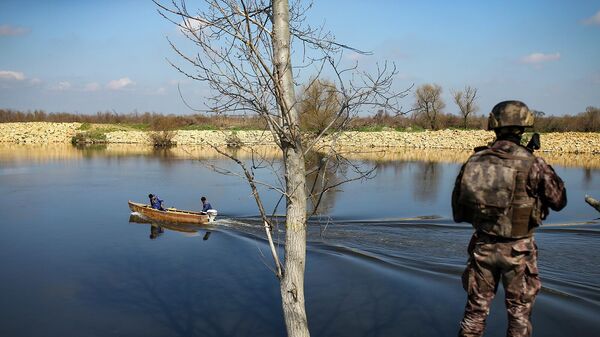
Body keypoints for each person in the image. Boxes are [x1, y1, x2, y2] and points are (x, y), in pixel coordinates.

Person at [452, 100, 567, 337]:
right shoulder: (532, 163)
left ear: (494, 126)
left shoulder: (475, 161)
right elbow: (559, 201)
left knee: (474, 314)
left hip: (483, 247)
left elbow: (458, 209)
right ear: (524, 128)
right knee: (519, 315)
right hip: (519, 251)